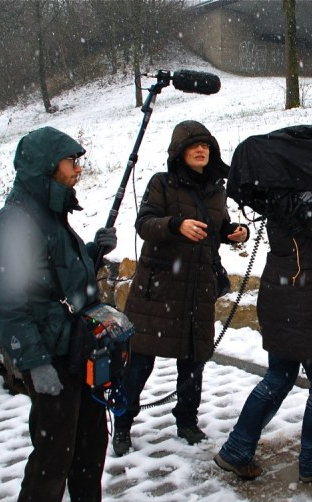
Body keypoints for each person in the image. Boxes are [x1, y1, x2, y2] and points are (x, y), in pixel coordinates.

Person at [0, 126, 134, 502]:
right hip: (51, 357)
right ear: (48, 168)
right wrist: (35, 365)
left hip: (77, 350)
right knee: (54, 454)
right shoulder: (16, 222)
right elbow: (10, 305)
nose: (78, 171)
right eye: (72, 163)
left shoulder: (51, 214)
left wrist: (91, 252)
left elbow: (57, 278)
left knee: (90, 442)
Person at [213, 159, 312, 483]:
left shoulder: (283, 200)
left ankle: (236, 449)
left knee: (279, 377)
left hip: (282, 300)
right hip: (306, 305)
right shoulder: (309, 206)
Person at [113, 120, 248, 455]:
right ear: (179, 153)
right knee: (140, 362)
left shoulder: (217, 189)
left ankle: (187, 421)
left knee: (193, 360)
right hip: (158, 290)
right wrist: (176, 225)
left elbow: (216, 227)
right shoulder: (162, 184)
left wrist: (234, 232)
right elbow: (144, 224)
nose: (200, 150)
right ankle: (123, 424)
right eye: (193, 146)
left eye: (206, 146)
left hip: (197, 289)